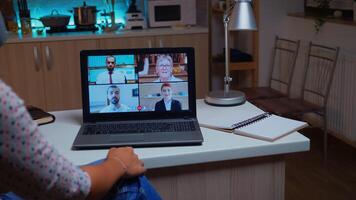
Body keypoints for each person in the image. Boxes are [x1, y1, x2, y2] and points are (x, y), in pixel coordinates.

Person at [0, 16, 161, 200]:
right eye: (111, 93)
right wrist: (118, 163)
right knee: (130, 181)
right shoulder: (3, 102)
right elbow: (70, 188)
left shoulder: (124, 80)